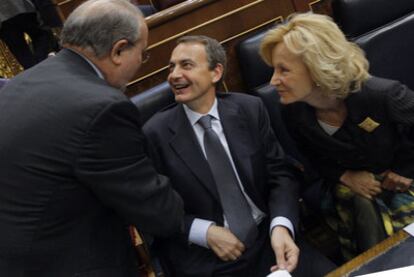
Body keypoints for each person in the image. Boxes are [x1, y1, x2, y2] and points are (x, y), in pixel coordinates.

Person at [0, 0, 184, 276]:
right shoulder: (102, 107)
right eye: (142, 54)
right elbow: (160, 213)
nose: (140, 63)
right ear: (119, 50)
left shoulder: (23, 82)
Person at [143, 35, 335, 277]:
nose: (173, 75)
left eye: (186, 65)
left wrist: (281, 226)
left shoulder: (249, 109)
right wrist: (204, 232)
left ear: (215, 73)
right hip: (208, 260)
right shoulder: (154, 134)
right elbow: (153, 207)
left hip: (269, 241)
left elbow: (281, 175)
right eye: (171, 67)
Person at [260, 12, 414, 261]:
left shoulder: (383, 95)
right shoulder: (292, 110)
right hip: (347, 191)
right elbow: (309, 159)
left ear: (316, 67)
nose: (273, 81)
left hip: (400, 179)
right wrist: (345, 175)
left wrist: (407, 169)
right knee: (360, 206)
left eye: (283, 70)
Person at [0, 0, 58, 69]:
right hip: (24, 8)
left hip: (4, 19)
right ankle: (41, 63)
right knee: (41, 35)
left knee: (20, 50)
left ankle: (35, 71)